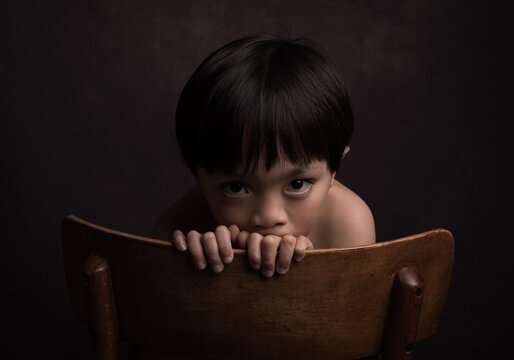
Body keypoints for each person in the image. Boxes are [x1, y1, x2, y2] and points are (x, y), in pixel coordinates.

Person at [153, 34, 375, 277]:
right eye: (236, 187)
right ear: (195, 173)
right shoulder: (179, 227)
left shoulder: (347, 222)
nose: (269, 217)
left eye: (298, 184)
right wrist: (212, 272)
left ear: (334, 169)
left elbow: (351, 311)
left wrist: (304, 272)